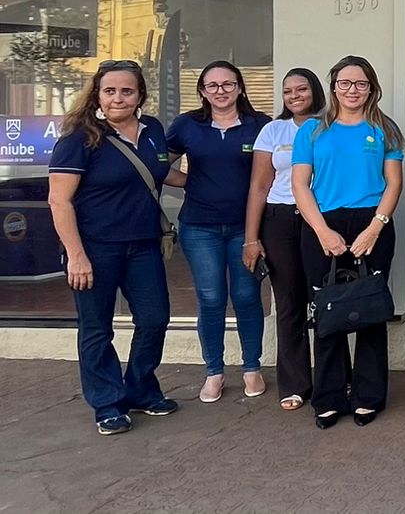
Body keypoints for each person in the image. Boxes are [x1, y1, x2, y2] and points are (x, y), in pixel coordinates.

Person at [47, 60, 180, 435]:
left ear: (140, 95)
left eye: (127, 91)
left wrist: (212, 180)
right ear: (98, 94)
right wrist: (76, 255)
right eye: (110, 91)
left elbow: (159, 171)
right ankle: (106, 403)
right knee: (96, 329)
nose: (118, 98)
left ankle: (139, 390)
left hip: (143, 245)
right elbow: (59, 201)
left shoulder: (151, 129)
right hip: (94, 249)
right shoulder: (79, 138)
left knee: (155, 319)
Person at [291, 55, 405, 429]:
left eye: (360, 84)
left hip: (372, 222)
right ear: (334, 86)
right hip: (322, 223)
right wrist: (322, 230)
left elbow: (394, 183)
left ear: (371, 88)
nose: (352, 91)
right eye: (344, 83)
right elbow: (299, 185)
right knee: (327, 311)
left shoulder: (384, 128)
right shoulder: (311, 130)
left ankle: (368, 396)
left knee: (369, 309)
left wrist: (376, 227)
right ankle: (329, 396)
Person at [165, 61, 272, 404]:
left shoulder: (260, 126)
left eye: (228, 84)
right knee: (210, 299)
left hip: (247, 226)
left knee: (246, 296)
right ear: (201, 92)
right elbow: (157, 166)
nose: (220, 91)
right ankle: (214, 371)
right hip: (199, 226)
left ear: (240, 88)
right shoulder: (187, 126)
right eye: (212, 86)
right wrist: (190, 183)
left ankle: (251, 368)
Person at [243, 68, 325, 412]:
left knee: (323, 301)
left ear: (315, 91)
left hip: (319, 219)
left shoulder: (330, 126)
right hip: (279, 220)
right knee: (289, 303)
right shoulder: (272, 130)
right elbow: (259, 186)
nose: (294, 96)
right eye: (288, 91)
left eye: (301, 89)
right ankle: (294, 384)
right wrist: (251, 238)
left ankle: (330, 379)